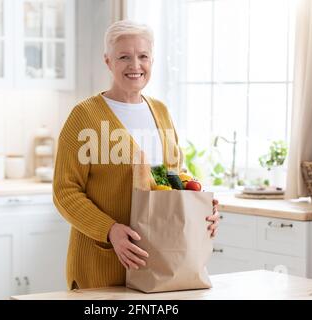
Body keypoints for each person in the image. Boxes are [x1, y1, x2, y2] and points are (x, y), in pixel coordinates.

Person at [53, 20, 220, 290]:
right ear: (108, 62)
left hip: (159, 267)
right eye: (124, 57)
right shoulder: (84, 117)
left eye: (143, 56)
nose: (135, 65)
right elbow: (65, 191)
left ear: (152, 60)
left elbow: (174, 176)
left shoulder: (161, 111)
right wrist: (110, 230)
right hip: (101, 266)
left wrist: (201, 207)